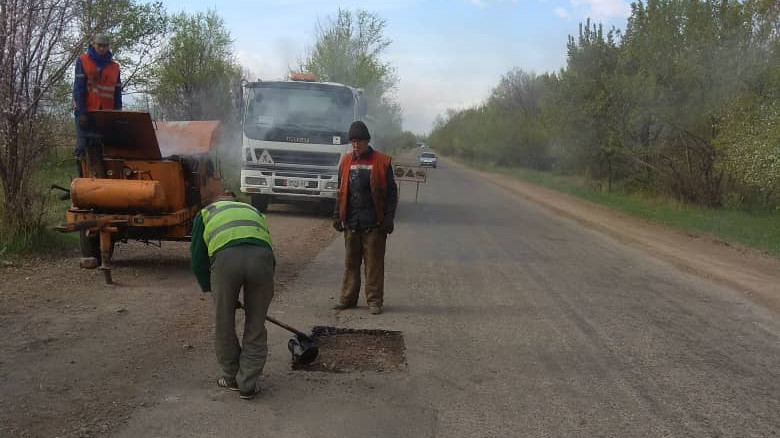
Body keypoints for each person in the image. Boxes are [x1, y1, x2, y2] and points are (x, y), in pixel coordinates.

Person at [190, 191, 275, 400]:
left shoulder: (206, 213)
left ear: (215, 201)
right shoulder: (253, 210)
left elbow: (198, 258)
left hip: (226, 260)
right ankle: (248, 383)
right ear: (234, 201)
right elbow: (267, 246)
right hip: (262, 259)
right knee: (256, 323)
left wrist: (212, 289)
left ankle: (230, 377)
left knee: (224, 322)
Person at [332, 121, 398, 315]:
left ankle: (374, 301)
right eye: (353, 141)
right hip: (351, 223)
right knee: (351, 263)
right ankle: (347, 299)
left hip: (374, 224)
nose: (356, 144)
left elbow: (392, 194)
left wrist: (388, 218)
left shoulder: (382, 162)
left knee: (373, 265)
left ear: (367, 141)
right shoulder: (345, 162)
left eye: (359, 140)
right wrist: (337, 214)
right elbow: (340, 190)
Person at [73, 33, 122, 176]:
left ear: (108, 47)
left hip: (105, 115)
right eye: (99, 45)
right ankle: (82, 182)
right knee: (82, 148)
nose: (101, 48)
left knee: (106, 149)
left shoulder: (114, 67)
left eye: (105, 46)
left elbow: (117, 93)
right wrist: (82, 113)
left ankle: (104, 184)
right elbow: (79, 88)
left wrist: (117, 114)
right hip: (86, 113)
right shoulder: (83, 61)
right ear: (93, 44)